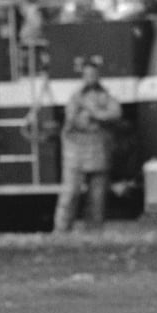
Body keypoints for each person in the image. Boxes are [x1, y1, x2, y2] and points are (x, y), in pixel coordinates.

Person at [55, 59, 121, 231]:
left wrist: (95, 113)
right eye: (87, 74)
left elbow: (115, 113)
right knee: (70, 193)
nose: (90, 77)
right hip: (76, 151)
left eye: (93, 74)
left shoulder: (105, 96)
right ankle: (62, 229)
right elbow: (71, 120)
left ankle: (94, 231)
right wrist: (86, 119)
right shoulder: (76, 97)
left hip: (99, 149)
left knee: (97, 196)